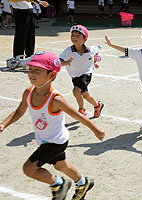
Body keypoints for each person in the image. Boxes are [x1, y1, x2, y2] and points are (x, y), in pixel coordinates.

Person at [0, 51, 105, 200]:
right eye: (30, 69)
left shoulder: (55, 99)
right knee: (61, 166)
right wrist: (4, 124)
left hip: (56, 141)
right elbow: (19, 111)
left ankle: (59, 184)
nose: (31, 73)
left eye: (38, 70)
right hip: (44, 139)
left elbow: (76, 114)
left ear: (51, 76)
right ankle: (83, 183)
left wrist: (95, 129)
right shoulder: (28, 93)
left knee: (29, 169)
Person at [59, 25, 104, 118]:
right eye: (72, 35)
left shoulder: (90, 50)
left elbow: (96, 52)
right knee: (85, 95)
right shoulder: (68, 51)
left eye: (78, 36)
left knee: (76, 91)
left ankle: (81, 110)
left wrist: (95, 62)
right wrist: (67, 62)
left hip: (86, 73)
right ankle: (97, 105)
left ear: (85, 39)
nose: (74, 37)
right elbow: (59, 62)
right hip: (75, 75)